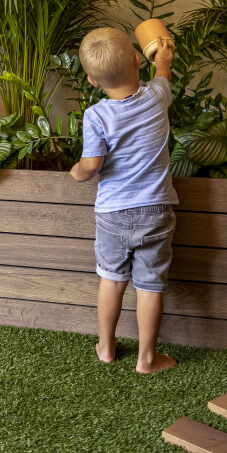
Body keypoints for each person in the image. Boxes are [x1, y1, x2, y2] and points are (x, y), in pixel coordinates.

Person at [69, 27, 179, 373]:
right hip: (156, 209)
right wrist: (162, 57)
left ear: (92, 81)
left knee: (112, 278)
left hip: (112, 213)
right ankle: (147, 358)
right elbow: (163, 73)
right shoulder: (157, 95)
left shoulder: (96, 116)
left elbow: (92, 164)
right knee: (149, 285)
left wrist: (78, 172)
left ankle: (106, 346)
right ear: (137, 60)